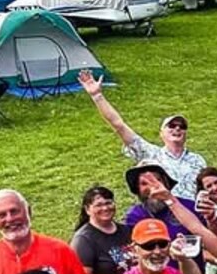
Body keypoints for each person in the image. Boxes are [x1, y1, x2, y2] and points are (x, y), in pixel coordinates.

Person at [76, 70, 207, 199]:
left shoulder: (198, 160)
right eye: (171, 126)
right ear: (161, 133)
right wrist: (97, 96)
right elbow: (118, 125)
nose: (177, 129)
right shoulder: (150, 153)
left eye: (182, 126)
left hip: (193, 215)